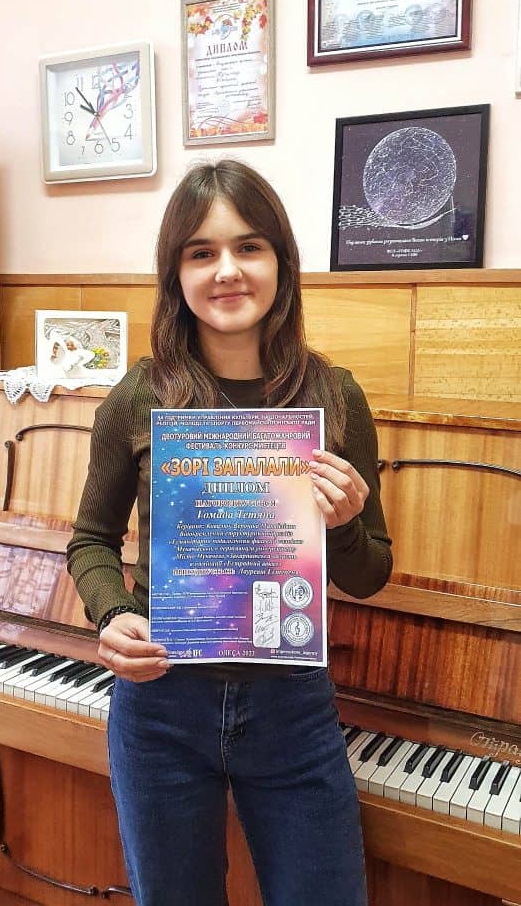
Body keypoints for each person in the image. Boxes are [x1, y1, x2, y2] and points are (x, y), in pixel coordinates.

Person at [66, 159, 392, 906]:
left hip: (292, 708)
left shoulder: (333, 394)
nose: (227, 271)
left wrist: (344, 525)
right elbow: (90, 540)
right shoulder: (138, 395)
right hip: (159, 704)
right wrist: (111, 614)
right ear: (175, 273)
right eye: (200, 252)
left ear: (281, 261)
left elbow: (370, 573)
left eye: (249, 247)